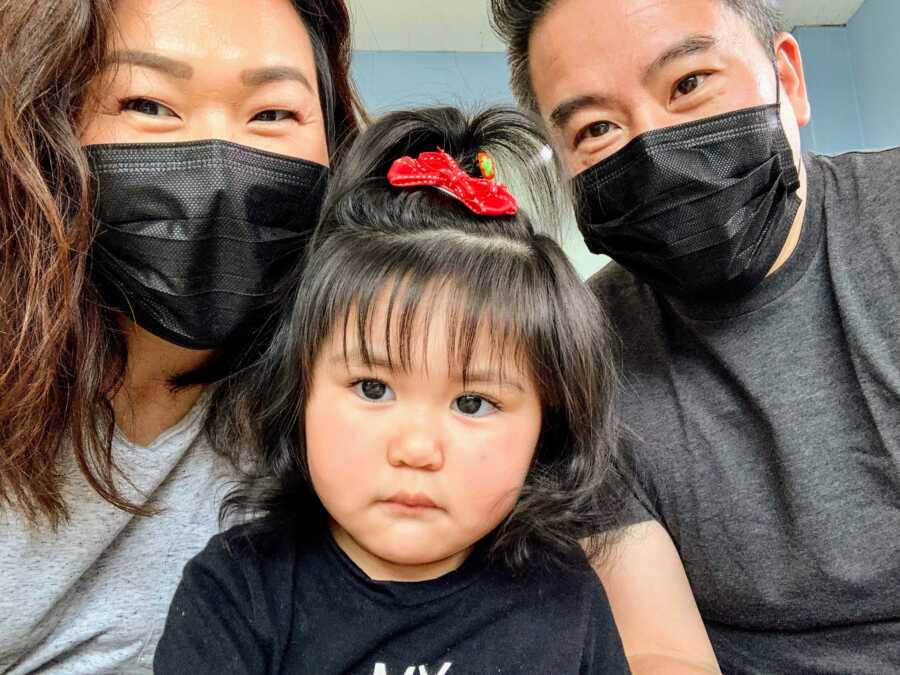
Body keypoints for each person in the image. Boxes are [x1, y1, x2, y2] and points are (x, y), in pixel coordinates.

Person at [490, 0, 900, 673]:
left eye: (688, 83)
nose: (653, 147)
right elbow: (661, 650)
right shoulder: (583, 359)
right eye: (596, 127)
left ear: (788, 81)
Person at [153, 106, 629, 674]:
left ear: (547, 425)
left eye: (472, 403)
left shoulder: (566, 593)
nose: (417, 449)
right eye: (373, 388)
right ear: (298, 390)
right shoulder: (238, 589)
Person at [0, 1, 364, 672]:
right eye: (148, 103)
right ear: (43, 123)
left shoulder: (351, 401)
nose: (222, 164)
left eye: (273, 114)